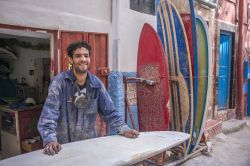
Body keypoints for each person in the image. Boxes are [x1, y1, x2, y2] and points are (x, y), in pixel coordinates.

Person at [38, 40, 139, 155]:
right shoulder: (60, 83)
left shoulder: (96, 84)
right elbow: (49, 114)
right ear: (71, 59)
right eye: (78, 56)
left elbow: (110, 112)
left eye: (86, 56)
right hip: (63, 147)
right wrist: (50, 139)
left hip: (89, 145)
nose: (83, 59)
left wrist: (124, 129)